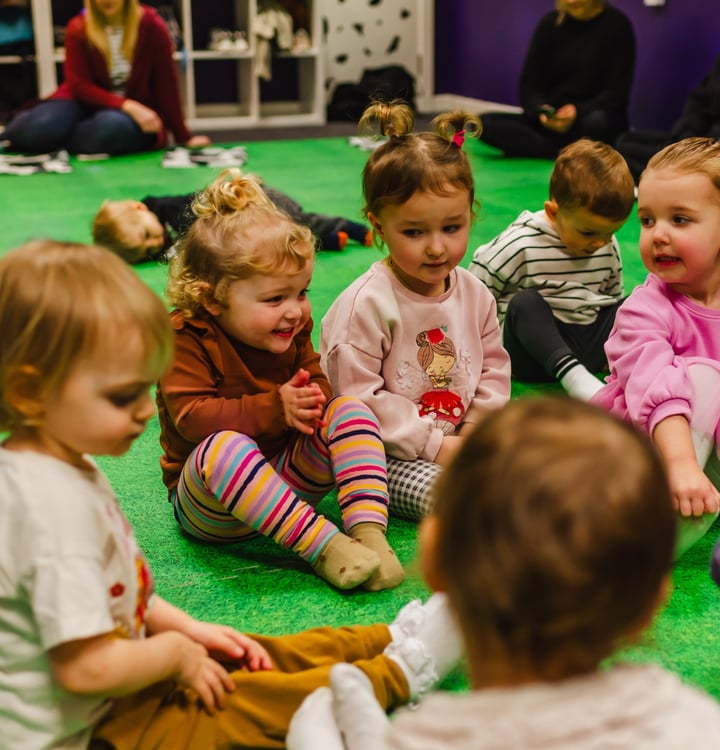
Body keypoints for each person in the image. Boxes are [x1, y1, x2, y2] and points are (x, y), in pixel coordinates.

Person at [0, 239, 460, 749]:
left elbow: (122, 597)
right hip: (84, 730)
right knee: (236, 704)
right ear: (28, 392)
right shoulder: (46, 508)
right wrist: (175, 654)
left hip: (108, 687)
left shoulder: (52, 467)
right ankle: (400, 673)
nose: (144, 411)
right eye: (120, 395)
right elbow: (86, 670)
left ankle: (384, 640)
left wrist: (189, 631)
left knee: (244, 652)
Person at [287, 396, 720, 750]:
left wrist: (314, 732)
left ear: (436, 562)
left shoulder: (421, 740)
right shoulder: (700, 723)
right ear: (652, 601)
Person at [156, 168, 405, 591]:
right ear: (211, 299)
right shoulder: (183, 336)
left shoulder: (288, 328)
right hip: (214, 505)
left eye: (302, 292)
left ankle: (368, 534)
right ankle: (324, 547)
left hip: (286, 485)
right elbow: (193, 420)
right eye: (275, 299)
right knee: (224, 447)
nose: (295, 311)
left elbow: (318, 385)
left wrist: (314, 401)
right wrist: (278, 407)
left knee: (350, 410)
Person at [319, 101, 511, 521]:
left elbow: (494, 368)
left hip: (462, 436)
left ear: (471, 215)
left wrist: (476, 432)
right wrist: (438, 447)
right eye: (413, 232)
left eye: (452, 227)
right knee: (466, 502)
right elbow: (359, 400)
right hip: (388, 453)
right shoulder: (366, 305)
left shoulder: (475, 293)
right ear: (378, 226)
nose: (437, 247)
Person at [592, 137, 720, 556]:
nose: (658, 235)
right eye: (647, 221)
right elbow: (654, 387)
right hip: (640, 454)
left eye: (679, 220)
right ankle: (646, 547)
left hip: (707, 452)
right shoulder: (643, 310)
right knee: (702, 376)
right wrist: (680, 464)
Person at [469, 139, 634, 400]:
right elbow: (473, 293)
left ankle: (617, 364)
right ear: (554, 213)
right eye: (588, 232)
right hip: (532, 354)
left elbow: (612, 299)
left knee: (639, 301)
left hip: (585, 343)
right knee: (525, 304)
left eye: (611, 232)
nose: (600, 242)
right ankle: (574, 376)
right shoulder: (520, 243)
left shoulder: (606, 244)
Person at [0, 0, 209, 155]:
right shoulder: (78, 27)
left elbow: (166, 85)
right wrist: (128, 105)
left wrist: (184, 136)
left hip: (121, 117)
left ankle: (51, 143)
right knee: (40, 125)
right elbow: (79, 85)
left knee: (114, 127)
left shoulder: (151, 25)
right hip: (80, 103)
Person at [478, 0, 635, 159]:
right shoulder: (550, 23)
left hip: (589, 119)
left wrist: (577, 111)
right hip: (552, 121)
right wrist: (542, 110)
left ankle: (543, 148)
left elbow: (617, 93)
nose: (571, 1)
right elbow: (530, 86)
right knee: (482, 123)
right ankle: (569, 151)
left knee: (600, 123)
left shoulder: (617, 25)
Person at [92, 183, 373, 264]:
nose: (154, 243)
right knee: (280, 243)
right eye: (145, 251)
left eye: (146, 235)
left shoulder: (169, 210)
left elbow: (193, 235)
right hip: (246, 223)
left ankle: (353, 229)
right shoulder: (161, 232)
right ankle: (334, 241)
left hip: (259, 200)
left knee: (298, 222)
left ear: (140, 208)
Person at [616, 52, 720, 181]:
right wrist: (685, 133)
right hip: (687, 137)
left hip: (708, 151)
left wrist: (697, 145)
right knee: (624, 142)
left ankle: (676, 178)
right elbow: (699, 98)